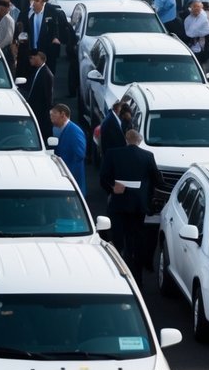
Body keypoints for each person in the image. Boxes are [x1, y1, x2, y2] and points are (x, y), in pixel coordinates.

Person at [101, 129, 162, 278]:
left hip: (118, 203)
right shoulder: (148, 156)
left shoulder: (112, 154)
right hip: (138, 205)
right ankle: (137, 275)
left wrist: (112, 188)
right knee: (136, 239)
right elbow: (156, 180)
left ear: (126, 140)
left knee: (117, 238)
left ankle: (116, 270)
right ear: (139, 141)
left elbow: (103, 177)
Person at [15, 0, 63, 77]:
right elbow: (20, 29)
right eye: (33, 0)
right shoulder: (26, 13)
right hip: (30, 50)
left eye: (37, 1)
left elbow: (55, 29)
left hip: (44, 51)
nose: (34, 3)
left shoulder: (51, 12)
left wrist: (55, 38)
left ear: (43, 3)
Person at [50, 104, 87, 194]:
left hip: (73, 181)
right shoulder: (63, 129)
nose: (51, 117)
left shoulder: (75, 131)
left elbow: (79, 155)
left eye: (53, 114)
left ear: (63, 114)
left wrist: (69, 176)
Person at [25, 52, 54, 138]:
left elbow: (48, 97)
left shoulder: (46, 74)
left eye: (32, 57)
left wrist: (47, 114)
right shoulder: (38, 71)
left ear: (39, 58)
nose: (30, 60)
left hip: (41, 112)